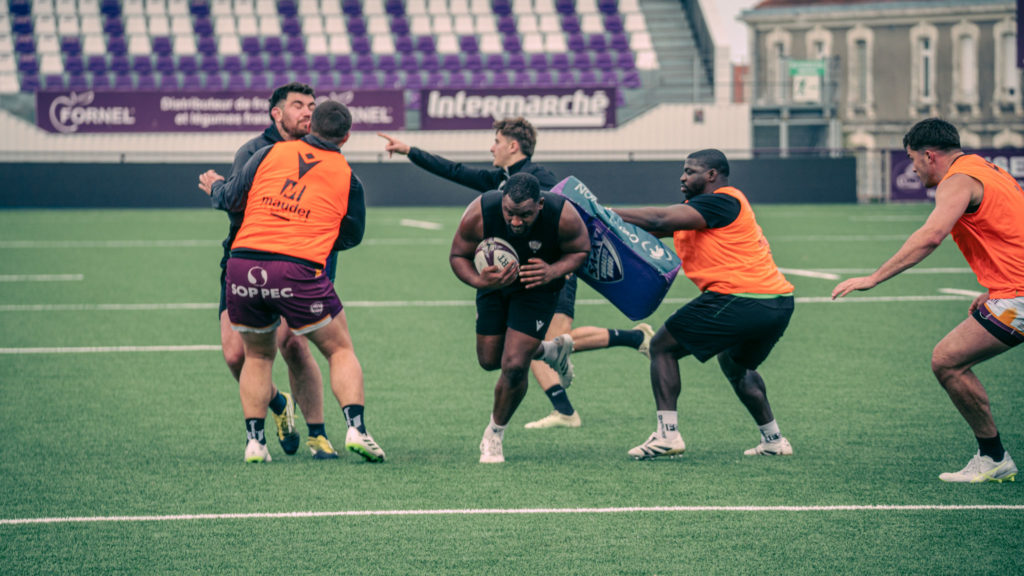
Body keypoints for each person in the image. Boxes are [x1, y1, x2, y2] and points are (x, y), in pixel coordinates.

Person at [379, 118, 653, 430]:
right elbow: (454, 171)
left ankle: (631, 340)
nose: (490, 147)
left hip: (551, 274)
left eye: (496, 141)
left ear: (512, 146)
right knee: (526, 347)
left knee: (535, 344)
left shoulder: (541, 179)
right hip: (515, 276)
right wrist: (409, 151)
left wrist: (556, 271)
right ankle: (567, 405)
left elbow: (573, 220)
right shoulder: (500, 179)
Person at [833, 118, 1021, 483]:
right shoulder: (986, 169)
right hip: (1013, 291)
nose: (913, 168)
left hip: (1019, 296)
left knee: (947, 361)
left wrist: (874, 277)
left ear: (929, 155)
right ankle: (993, 458)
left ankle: (994, 458)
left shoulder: (957, 180)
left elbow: (932, 235)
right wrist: (997, 287)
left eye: (913, 159)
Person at [198, 100, 386, 464]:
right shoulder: (348, 177)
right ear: (346, 137)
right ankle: (356, 429)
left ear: (310, 124)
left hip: (243, 263)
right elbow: (352, 236)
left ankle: (255, 443)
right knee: (339, 350)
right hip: (297, 268)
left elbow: (233, 197)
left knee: (256, 353)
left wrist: (217, 187)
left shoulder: (269, 153)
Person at [613, 149, 796, 460]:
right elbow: (654, 228)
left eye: (690, 171)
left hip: (742, 298)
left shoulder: (723, 200)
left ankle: (667, 435)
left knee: (661, 346)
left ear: (711, 175)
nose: (683, 177)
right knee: (736, 364)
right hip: (776, 304)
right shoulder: (700, 212)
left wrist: (598, 211)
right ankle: (774, 440)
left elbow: (658, 218)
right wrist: (600, 228)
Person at [211, 82, 335, 459]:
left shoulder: (323, 152)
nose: (307, 111)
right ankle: (279, 404)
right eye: (298, 105)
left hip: (302, 264)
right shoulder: (253, 151)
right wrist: (220, 189)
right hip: (248, 262)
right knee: (236, 355)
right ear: (276, 114)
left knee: (294, 344)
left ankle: (318, 434)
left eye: (312, 105)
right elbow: (236, 203)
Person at [450, 172, 590, 463]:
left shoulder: (562, 214)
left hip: (537, 289)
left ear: (539, 204)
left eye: (524, 215)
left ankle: (494, 434)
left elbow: (580, 249)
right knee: (490, 360)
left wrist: (553, 271)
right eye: (510, 213)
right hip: (493, 286)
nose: (515, 221)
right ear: (502, 202)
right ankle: (550, 350)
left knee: (514, 365)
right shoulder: (482, 210)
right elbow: (457, 255)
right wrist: (480, 281)